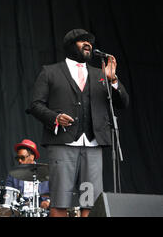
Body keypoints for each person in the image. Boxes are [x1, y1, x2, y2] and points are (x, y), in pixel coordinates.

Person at [28, 28, 129, 217]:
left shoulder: (101, 74)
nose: (88, 44)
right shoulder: (50, 72)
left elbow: (123, 103)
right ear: (70, 46)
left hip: (92, 145)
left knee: (90, 204)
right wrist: (55, 118)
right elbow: (35, 105)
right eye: (82, 41)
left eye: (90, 41)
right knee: (59, 203)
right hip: (62, 144)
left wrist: (112, 79)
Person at [5, 139, 50, 210]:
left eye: (22, 158)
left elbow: (54, 192)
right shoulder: (13, 174)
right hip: (20, 207)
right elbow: (8, 192)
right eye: (18, 158)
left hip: (40, 207)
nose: (19, 160)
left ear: (32, 157)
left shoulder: (45, 171)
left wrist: (47, 201)